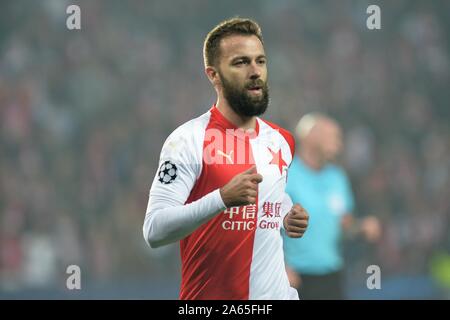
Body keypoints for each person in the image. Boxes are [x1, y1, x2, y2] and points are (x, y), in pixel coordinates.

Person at [143, 18, 309, 300]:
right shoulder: (188, 140)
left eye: (260, 61)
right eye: (241, 63)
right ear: (214, 75)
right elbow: (154, 230)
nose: (255, 71)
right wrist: (221, 197)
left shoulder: (282, 140)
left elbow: (271, 196)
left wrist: (286, 215)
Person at [283, 113, 381, 300]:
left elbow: (344, 224)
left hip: (331, 274)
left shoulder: (337, 177)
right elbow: (267, 225)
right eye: (333, 137)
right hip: (296, 277)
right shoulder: (287, 175)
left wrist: (361, 227)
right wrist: (281, 266)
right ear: (310, 137)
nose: (339, 144)